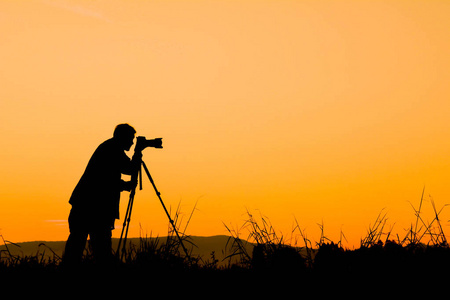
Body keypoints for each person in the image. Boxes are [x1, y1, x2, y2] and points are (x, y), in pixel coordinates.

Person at [62, 123, 141, 267]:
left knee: (78, 246)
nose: (132, 142)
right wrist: (138, 153)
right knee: (98, 249)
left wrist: (124, 184)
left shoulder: (110, 147)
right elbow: (127, 170)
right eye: (131, 138)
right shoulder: (112, 149)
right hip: (94, 208)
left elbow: (109, 177)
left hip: (86, 205)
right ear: (122, 137)